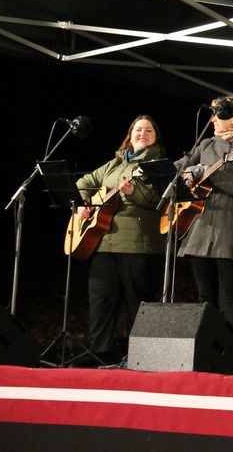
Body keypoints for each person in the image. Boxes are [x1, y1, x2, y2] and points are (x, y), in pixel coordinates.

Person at [75, 114, 166, 363]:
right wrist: (85, 204)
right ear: (130, 135)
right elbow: (84, 181)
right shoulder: (115, 163)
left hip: (139, 244)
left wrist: (133, 191)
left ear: (156, 138)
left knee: (138, 301)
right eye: (138, 129)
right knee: (101, 298)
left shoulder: (158, 163)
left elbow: (158, 199)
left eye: (148, 130)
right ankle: (100, 351)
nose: (142, 133)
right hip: (103, 241)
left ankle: (140, 355)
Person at [176, 96, 233, 337]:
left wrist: (209, 173)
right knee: (205, 296)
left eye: (218, 114)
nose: (212, 119)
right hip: (200, 227)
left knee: (229, 295)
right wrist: (185, 173)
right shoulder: (205, 145)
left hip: (228, 228)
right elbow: (179, 168)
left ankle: (229, 348)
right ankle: (207, 348)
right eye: (212, 114)